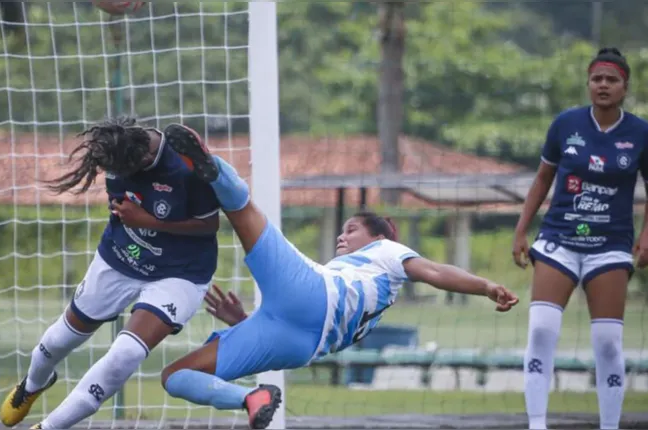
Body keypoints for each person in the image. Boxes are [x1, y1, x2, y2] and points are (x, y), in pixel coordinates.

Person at [153, 124, 520, 429]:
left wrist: (485, 286)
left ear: (379, 237)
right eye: (342, 231)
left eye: (351, 229)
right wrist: (243, 322)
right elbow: (320, 326)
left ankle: (213, 167)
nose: (342, 236)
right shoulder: (367, 296)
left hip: (311, 297)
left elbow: (436, 271)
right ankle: (251, 397)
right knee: (175, 376)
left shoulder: (387, 251)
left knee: (243, 211)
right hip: (300, 343)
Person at [0, 118, 222, 429]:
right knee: (58, 340)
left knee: (126, 354)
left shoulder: (185, 167)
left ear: (142, 159)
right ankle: (33, 385)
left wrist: (149, 222)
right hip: (121, 257)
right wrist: (139, 222)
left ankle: (49, 427)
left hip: (180, 273)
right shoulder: (117, 157)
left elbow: (210, 226)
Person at [512, 48, 648, 430]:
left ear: (624, 87)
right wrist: (521, 229)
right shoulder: (566, 124)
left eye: (611, 80)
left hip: (610, 246)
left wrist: (647, 236)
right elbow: (543, 178)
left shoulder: (642, 134)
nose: (603, 85)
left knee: (609, 341)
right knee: (542, 329)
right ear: (588, 84)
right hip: (560, 238)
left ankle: (609, 426)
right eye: (597, 79)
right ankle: (536, 424)